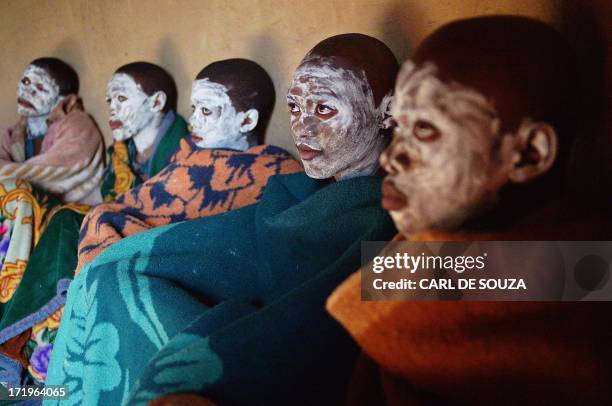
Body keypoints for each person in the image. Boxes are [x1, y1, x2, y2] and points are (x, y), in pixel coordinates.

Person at [44, 33, 398, 405]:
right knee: (106, 275)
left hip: (276, 356)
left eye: (324, 109)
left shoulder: (400, 222)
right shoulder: (294, 190)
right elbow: (219, 246)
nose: (302, 128)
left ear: (388, 111)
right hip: (244, 314)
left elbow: (326, 333)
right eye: (294, 108)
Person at [327, 16, 612, 405]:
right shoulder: (426, 250)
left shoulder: (579, 282)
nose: (391, 156)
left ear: (528, 154)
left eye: (425, 130)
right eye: (398, 128)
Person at [0, 62, 189, 385]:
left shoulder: (181, 147)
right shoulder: (122, 150)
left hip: (142, 234)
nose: (112, 109)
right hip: (100, 220)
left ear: (156, 103)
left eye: (121, 99)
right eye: (109, 101)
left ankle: (30, 355)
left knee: (30, 205)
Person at [75, 58, 302, 273]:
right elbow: (145, 206)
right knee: (100, 217)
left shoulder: (277, 171)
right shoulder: (186, 153)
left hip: (208, 267)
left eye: (206, 111)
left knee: (101, 219)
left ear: (246, 120)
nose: (193, 122)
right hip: (161, 250)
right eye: (193, 109)